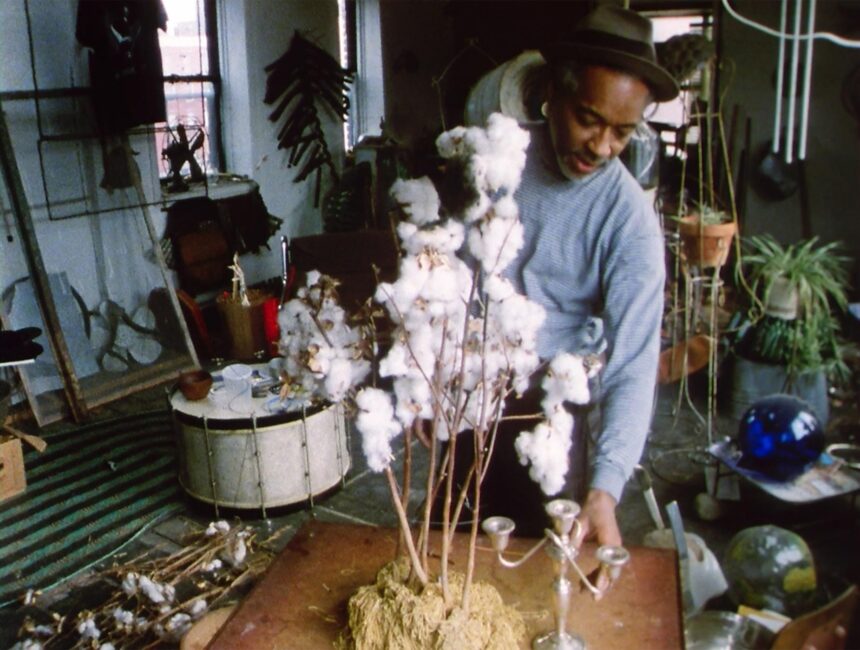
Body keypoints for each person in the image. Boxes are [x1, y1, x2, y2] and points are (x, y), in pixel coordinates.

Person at [458, 5, 680, 552]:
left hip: (552, 415)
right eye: (588, 119)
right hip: (470, 393)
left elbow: (631, 366)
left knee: (539, 562)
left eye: (622, 133)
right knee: (457, 552)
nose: (602, 147)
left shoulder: (628, 224)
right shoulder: (498, 159)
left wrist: (605, 490)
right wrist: (434, 378)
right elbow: (454, 275)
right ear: (552, 94)